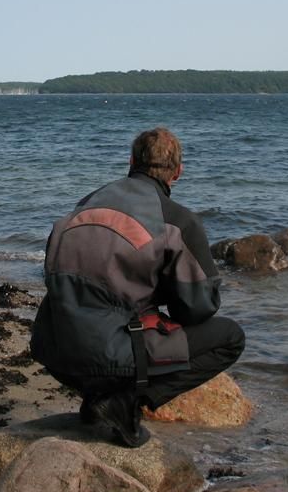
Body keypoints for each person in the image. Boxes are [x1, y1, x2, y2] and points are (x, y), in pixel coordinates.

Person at [30, 127, 245, 448]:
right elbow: (199, 307)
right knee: (230, 338)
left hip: (50, 346)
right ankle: (125, 400)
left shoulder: (87, 202)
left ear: (130, 161)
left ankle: (98, 397)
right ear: (178, 172)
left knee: (118, 310)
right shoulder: (177, 221)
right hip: (107, 356)